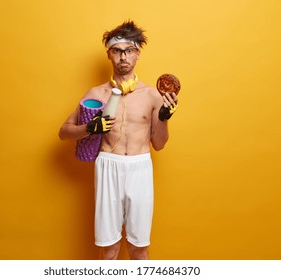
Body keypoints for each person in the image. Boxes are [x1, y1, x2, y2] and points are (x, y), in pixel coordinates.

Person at [59, 20, 178, 260]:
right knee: (109, 248)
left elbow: (159, 144)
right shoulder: (96, 94)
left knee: (139, 248)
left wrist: (164, 117)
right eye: (117, 51)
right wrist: (90, 128)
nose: (123, 57)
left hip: (140, 167)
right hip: (108, 166)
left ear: (137, 54)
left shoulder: (153, 96)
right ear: (109, 54)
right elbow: (64, 132)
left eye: (129, 51)